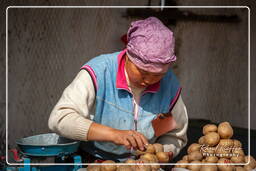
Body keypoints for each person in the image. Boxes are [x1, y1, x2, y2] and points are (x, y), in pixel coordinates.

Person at [48, 16, 188, 162]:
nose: (149, 80)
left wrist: (158, 155)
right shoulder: (100, 72)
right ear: (128, 55)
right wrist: (114, 134)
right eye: (143, 72)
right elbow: (60, 119)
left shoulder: (169, 85)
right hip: (92, 161)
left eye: (158, 75)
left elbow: (174, 135)